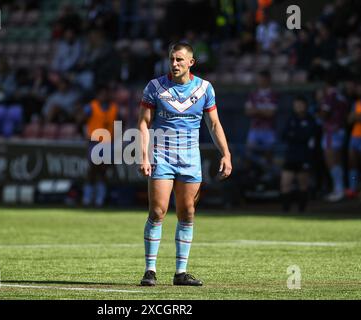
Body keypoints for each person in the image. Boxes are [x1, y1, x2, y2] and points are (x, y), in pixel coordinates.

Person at [137, 43, 232, 286]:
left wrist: (226, 154)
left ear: (191, 62)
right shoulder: (155, 87)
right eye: (172, 59)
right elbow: (144, 124)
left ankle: (181, 273)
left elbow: (214, 124)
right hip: (162, 155)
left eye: (180, 59)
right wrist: (144, 156)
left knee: (187, 213)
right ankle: (150, 270)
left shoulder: (204, 88)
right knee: (157, 211)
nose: (175, 63)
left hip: (190, 159)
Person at [80, 85, 119, 207]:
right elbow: (80, 119)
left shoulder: (114, 108)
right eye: (102, 93)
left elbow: (119, 122)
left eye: (107, 93)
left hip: (108, 143)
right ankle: (87, 198)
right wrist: (84, 133)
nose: (105, 96)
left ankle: (100, 199)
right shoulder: (91, 107)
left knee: (103, 170)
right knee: (92, 170)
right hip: (94, 142)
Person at [280, 96, 318, 212]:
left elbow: (307, 136)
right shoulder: (291, 119)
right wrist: (297, 136)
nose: (298, 107)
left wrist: (295, 135)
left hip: (304, 156)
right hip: (291, 155)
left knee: (303, 184)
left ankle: (302, 210)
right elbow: (284, 135)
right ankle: (285, 210)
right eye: (296, 105)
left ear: (305, 106)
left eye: (300, 105)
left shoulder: (311, 120)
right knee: (285, 183)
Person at [318, 78, 349, 202]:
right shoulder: (343, 97)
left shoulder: (329, 97)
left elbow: (324, 114)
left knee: (332, 161)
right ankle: (341, 188)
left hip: (331, 132)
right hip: (341, 130)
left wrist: (319, 108)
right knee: (338, 161)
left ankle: (339, 189)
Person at [244, 70, 278, 178]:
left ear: (268, 80)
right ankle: (251, 175)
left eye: (263, 79)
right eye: (259, 79)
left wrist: (256, 110)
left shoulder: (273, 95)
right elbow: (248, 111)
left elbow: (271, 113)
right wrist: (263, 111)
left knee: (269, 154)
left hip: (269, 129)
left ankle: (268, 175)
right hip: (255, 129)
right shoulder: (253, 94)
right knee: (249, 153)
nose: (261, 81)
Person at [346, 80, 361, 198]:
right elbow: (349, 120)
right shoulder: (356, 103)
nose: (358, 90)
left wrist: (356, 116)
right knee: (352, 162)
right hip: (355, 136)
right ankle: (353, 186)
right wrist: (357, 116)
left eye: (360, 88)